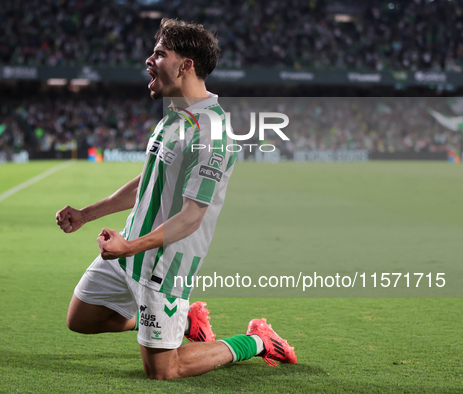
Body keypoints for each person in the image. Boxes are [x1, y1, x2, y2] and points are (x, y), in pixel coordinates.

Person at [56, 19, 296, 380]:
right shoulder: (172, 117)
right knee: (81, 319)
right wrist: (86, 215)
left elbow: (191, 217)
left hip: (162, 266)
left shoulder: (211, 132)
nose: (149, 61)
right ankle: (184, 321)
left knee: (164, 370)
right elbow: (146, 183)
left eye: (159, 54)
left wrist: (130, 247)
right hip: (129, 252)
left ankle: (257, 339)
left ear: (186, 65)